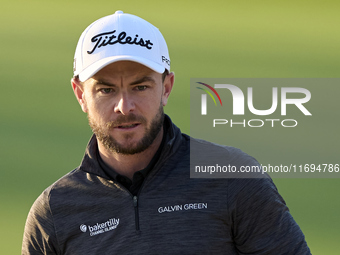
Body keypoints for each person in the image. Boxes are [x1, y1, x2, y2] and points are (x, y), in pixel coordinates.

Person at [22, 11, 311, 254]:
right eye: (106, 89)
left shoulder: (232, 179)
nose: (125, 106)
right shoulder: (53, 213)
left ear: (167, 87)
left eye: (140, 86)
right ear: (81, 95)